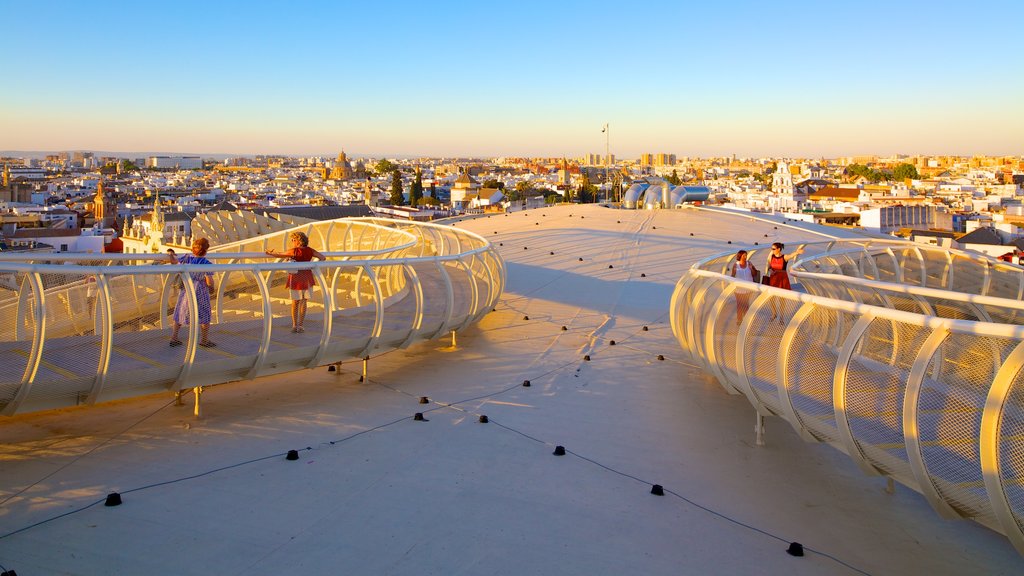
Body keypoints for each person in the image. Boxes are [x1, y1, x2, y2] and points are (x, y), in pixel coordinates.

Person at [265, 231, 325, 333]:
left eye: (293, 240)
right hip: (307, 278)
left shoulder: (294, 251)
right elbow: (322, 258)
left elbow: (279, 255)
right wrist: (311, 266)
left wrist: (269, 252)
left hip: (296, 279)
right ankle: (301, 325)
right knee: (304, 302)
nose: (292, 241)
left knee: (295, 303)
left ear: (298, 241)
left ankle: (294, 325)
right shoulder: (310, 250)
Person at [168, 238, 216, 348]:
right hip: (201, 291)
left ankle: (174, 337)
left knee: (181, 310)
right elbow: (209, 280)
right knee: (204, 314)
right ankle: (204, 340)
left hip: (187, 288)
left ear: (192, 249)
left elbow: (174, 261)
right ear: (206, 251)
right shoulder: (206, 263)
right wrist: (211, 288)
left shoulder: (187, 258)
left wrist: (170, 253)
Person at [765, 242, 804, 321]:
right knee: (771, 297)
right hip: (773, 278)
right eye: (771, 248)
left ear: (778, 249)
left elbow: (791, 255)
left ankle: (782, 316)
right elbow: (769, 267)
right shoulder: (771, 257)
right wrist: (771, 270)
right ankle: (774, 313)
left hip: (782, 279)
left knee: (782, 298)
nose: (772, 250)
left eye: (773, 249)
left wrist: (797, 252)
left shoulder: (784, 257)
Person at [730, 250, 759, 326]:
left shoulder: (749, 263)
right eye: (744, 256)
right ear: (740, 256)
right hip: (739, 289)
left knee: (746, 304)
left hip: (748, 288)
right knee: (739, 304)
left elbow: (755, 274)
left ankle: (746, 320)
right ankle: (739, 319)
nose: (745, 257)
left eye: (746, 255)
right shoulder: (736, 265)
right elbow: (732, 276)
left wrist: (751, 268)